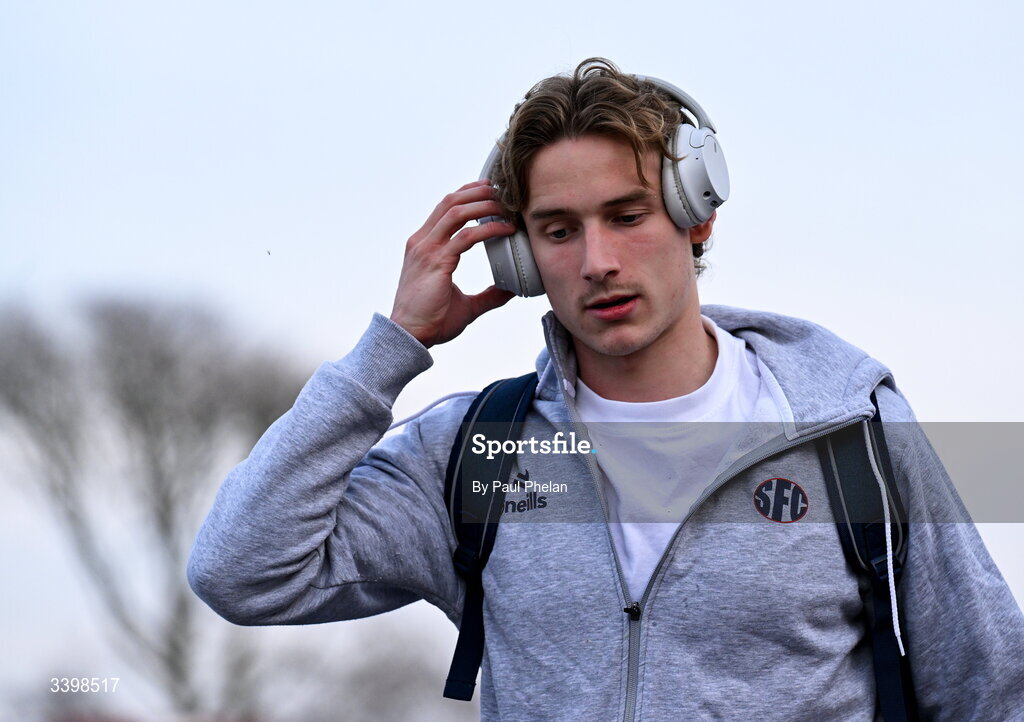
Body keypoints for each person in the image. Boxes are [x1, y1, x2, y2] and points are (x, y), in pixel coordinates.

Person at [188, 58, 1024, 720]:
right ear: (518, 259)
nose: (596, 262)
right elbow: (241, 570)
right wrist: (393, 347)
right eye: (558, 231)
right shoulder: (481, 454)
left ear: (698, 215)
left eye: (627, 216)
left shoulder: (852, 430)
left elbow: (989, 688)